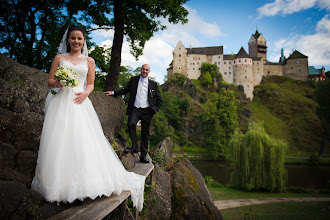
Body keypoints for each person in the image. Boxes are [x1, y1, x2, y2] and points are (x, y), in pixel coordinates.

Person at [31, 26, 145, 212]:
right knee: (59, 141)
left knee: (82, 142)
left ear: (84, 41)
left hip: (79, 101)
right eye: (73, 38)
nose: (76, 41)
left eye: (80, 38)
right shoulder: (59, 58)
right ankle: (58, 186)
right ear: (68, 40)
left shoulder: (89, 61)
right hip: (60, 102)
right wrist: (58, 82)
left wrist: (85, 94)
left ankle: (87, 184)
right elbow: (50, 80)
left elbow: (90, 83)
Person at [104, 64, 162, 163]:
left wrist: (154, 110)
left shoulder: (153, 84)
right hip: (135, 108)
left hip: (147, 111)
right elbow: (125, 90)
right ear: (141, 70)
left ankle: (143, 156)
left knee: (145, 133)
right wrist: (113, 93)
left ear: (149, 71)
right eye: (143, 69)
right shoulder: (134, 80)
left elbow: (159, 99)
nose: (144, 71)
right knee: (131, 124)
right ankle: (134, 147)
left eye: (146, 70)